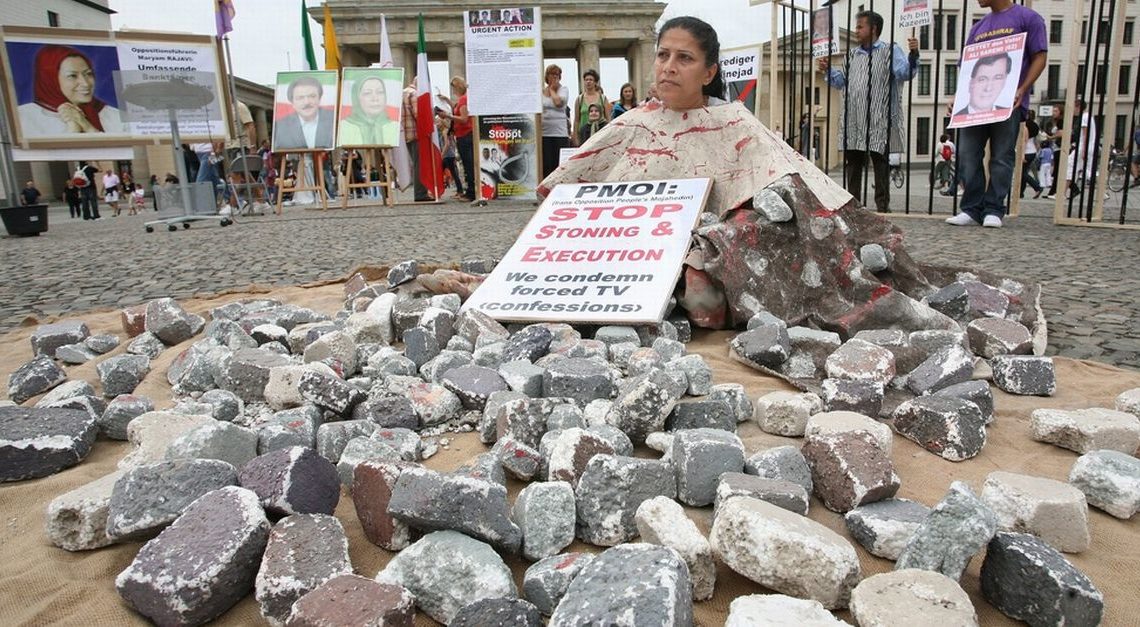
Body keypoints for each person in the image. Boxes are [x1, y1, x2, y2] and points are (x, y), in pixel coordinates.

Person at [539, 16, 849, 217]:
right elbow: (569, 193)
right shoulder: (632, 120)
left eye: (684, 58)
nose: (669, 66)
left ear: (708, 72)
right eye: (663, 55)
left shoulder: (734, 121)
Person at [945, 0, 1046, 227]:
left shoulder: (1028, 18)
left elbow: (1040, 56)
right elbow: (968, 69)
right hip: (974, 104)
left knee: (1002, 156)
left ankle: (993, 208)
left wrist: (1023, 88)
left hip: (1008, 102)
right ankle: (971, 208)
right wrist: (958, 97)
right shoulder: (977, 28)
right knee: (967, 153)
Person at [820, 11, 919, 214]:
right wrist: (828, 70)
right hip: (854, 118)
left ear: (873, 29)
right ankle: (854, 205)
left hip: (878, 118)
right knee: (853, 163)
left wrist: (914, 55)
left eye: (860, 27)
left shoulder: (890, 51)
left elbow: (904, 73)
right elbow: (841, 82)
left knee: (880, 162)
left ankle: (882, 206)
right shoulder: (852, 55)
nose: (856, 30)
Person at [17, 45, 123, 137]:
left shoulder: (112, 115)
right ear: (50, 79)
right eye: (72, 76)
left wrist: (86, 125)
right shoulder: (24, 117)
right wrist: (73, 129)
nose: (85, 83)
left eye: (88, 74)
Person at [273, 76, 335, 150]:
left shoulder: (334, 120)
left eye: (312, 96)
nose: (306, 102)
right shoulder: (281, 127)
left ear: (319, 98)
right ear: (292, 103)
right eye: (300, 98)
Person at [338, 75, 399, 146]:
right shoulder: (345, 126)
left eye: (380, 92)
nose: (375, 98)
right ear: (356, 98)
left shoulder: (394, 126)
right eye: (367, 93)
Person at [444, 76, 476, 202]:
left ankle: (471, 192)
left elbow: (464, 118)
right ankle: (469, 191)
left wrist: (448, 116)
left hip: (465, 135)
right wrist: (447, 100)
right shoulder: (463, 99)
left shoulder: (463, 100)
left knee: (468, 164)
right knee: (467, 163)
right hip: (464, 135)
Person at [952, 53, 1013, 118]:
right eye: (982, 79)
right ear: (970, 84)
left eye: (997, 78)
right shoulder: (959, 117)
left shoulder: (1008, 114)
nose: (988, 88)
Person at [541, 64, 571, 179]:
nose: (554, 77)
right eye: (551, 74)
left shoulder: (563, 89)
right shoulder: (541, 92)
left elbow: (558, 103)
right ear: (546, 76)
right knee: (547, 163)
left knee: (557, 164)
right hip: (544, 132)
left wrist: (552, 90)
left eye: (557, 74)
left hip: (559, 132)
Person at [573, 69, 611, 146]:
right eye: (586, 80)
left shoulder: (602, 98)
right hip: (584, 135)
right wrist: (575, 137)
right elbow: (576, 120)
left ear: (595, 82)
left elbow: (608, 118)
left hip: (600, 134)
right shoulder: (580, 99)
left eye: (591, 80)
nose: (588, 82)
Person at [437, 111, 464, 198]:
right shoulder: (444, 131)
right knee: (452, 173)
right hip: (449, 155)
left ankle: (459, 191)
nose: (436, 124)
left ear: (442, 122)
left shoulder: (445, 131)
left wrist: (441, 154)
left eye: (438, 122)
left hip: (448, 156)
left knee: (452, 173)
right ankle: (459, 191)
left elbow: (447, 144)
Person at [1020, 110, 1043, 198]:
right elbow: (1036, 140)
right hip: (1032, 151)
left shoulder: (1025, 126)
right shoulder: (1035, 126)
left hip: (1026, 151)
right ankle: (1020, 192)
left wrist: (1022, 154)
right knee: (1023, 172)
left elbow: (1024, 141)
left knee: (1022, 173)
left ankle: (1037, 187)